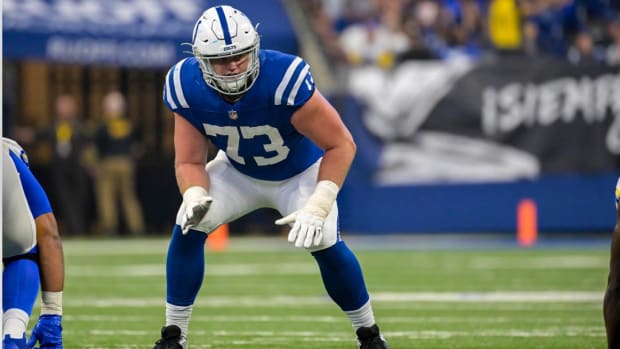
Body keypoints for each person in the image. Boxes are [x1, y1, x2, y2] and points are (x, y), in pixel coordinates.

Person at [153, 5, 389, 349]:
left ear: (255, 49)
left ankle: (369, 334)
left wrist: (320, 202)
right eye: (222, 59)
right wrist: (192, 195)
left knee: (323, 239)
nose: (233, 65)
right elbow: (189, 161)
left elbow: (341, 144)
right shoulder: (184, 85)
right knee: (187, 225)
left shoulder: (283, 77)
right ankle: (174, 335)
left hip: (299, 174)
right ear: (201, 61)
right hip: (238, 171)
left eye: (240, 56)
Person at [2, 137, 64, 349]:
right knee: (21, 251)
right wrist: (52, 316)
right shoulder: (8, 152)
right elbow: (48, 232)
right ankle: (13, 332)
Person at [93, 91, 145, 236]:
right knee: (128, 196)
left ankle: (110, 227)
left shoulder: (103, 126)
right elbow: (139, 147)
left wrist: (95, 164)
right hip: (126, 163)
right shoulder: (130, 124)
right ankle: (136, 227)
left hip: (108, 162)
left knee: (106, 196)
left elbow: (95, 148)